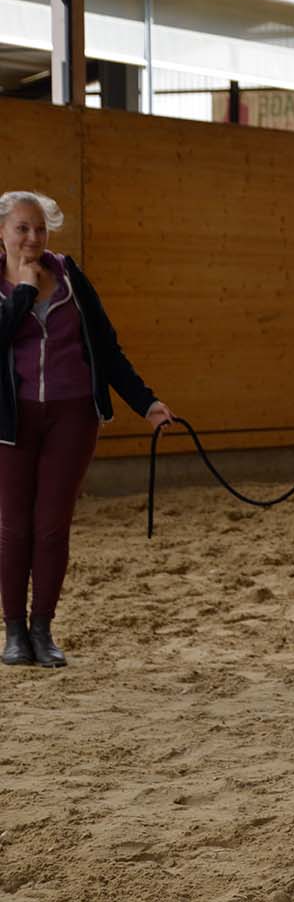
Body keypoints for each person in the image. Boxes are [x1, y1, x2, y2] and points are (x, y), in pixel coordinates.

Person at [0, 191, 175, 668]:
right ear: (2, 232)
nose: (33, 237)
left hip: (72, 416)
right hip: (9, 422)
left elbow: (107, 347)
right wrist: (22, 292)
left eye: (39, 228)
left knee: (51, 528)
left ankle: (42, 629)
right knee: (13, 529)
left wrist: (147, 402)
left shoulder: (71, 276)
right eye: (22, 228)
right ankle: (13, 632)